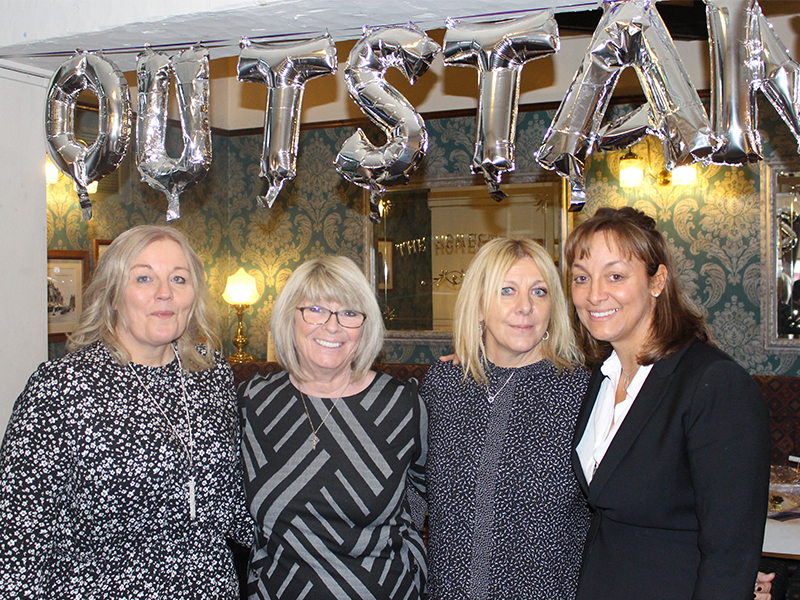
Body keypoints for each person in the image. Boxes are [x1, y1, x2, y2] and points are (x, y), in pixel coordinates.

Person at [0, 225, 253, 599]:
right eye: (144, 278)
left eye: (179, 279)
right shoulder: (62, 387)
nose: (164, 292)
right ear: (113, 295)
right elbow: (18, 539)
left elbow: (237, 505)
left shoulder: (211, 374)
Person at [565, 207, 771, 600]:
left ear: (657, 281)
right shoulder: (602, 378)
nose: (594, 294)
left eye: (615, 276)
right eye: (581, 277)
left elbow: (730, 555)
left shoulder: (713, 384)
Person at [237, 255, 427, 600]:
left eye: (349, 313)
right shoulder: (254, 401)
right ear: (289, 317)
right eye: (315, 309)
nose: (332, 326)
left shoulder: (402, 404)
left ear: (365, 326)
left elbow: (427, 497)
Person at [422, 237, 591, 600]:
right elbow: (412, 491)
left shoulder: (582, 393)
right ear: (479, 305)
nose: (525, 307)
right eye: (507, 290)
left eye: (539, 292)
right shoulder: (443, 384)